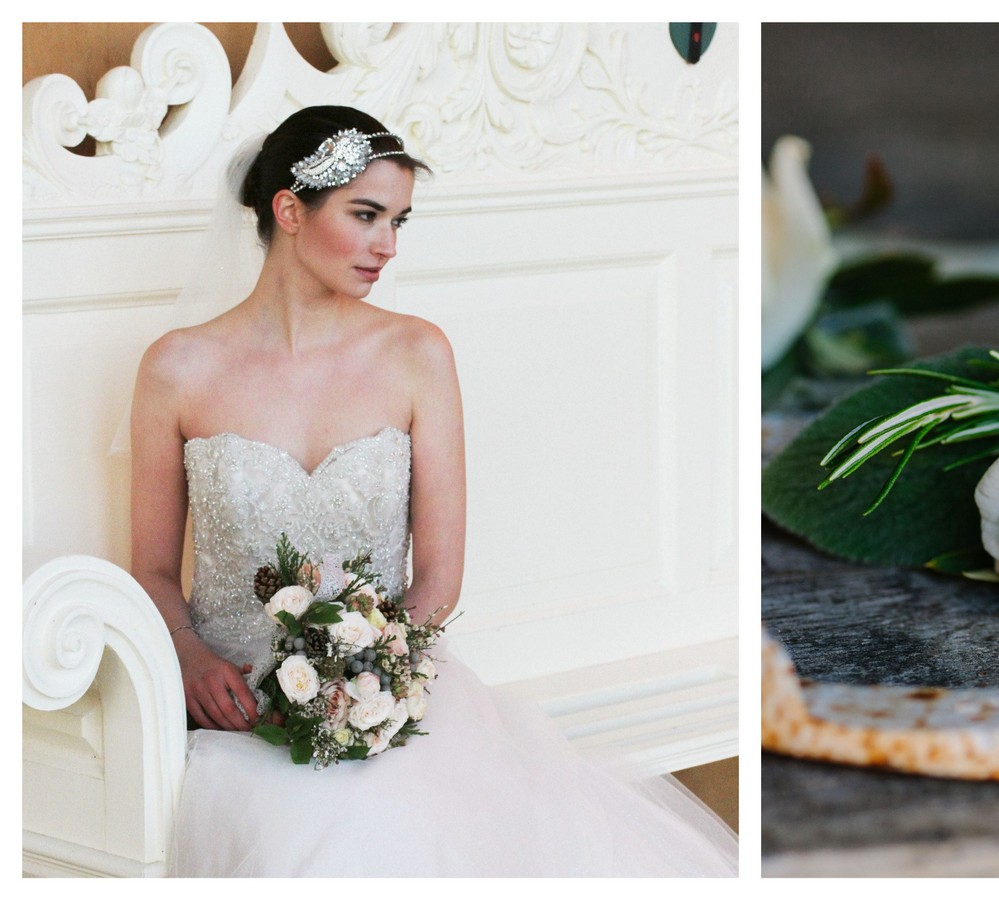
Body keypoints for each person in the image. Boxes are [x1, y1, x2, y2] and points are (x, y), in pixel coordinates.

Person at [128, 105, 737, 877]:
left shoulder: (417, 353)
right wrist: (187, 658)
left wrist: (362, 681)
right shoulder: (176, 369)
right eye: (366, 215)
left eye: (399, 221)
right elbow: (149, 566)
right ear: (289, 210)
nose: (386, 245)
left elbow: (439, 579)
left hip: (392, 699)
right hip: (235, 711)